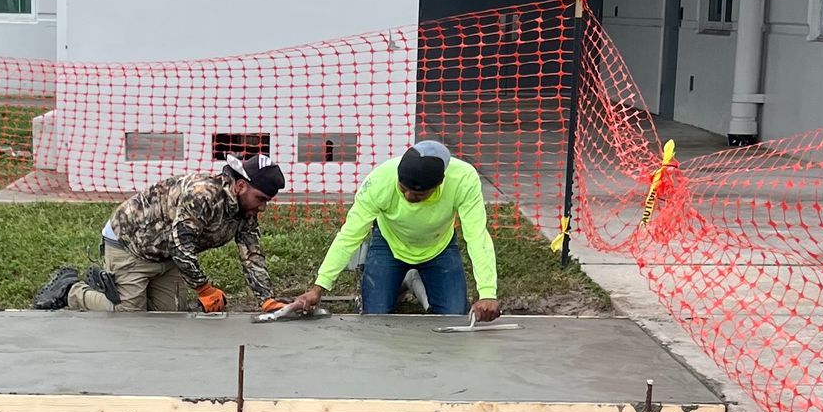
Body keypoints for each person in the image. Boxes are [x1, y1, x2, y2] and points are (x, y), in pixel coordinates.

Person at [34, 155, 285, 312]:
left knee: (168, 319)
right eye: (260, 198)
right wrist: (204, 290)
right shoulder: (203, 195)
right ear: (241, 186)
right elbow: (181, 246)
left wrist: (267, 300)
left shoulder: (245, 209)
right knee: (129, 313)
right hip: (131, 245)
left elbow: (251, 254)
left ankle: (120, 290)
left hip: (166, 256)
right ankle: (71, 290)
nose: (262, 206)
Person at [287, 139, 500, 321]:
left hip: (438, 247)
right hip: (390, 245)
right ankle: (400, 281)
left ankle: (412, 277)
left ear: (439, 184)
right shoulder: (380, 181)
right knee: (375, 317)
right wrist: (319, 287)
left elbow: (477, 236)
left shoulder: (463, 179)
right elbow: (349, 235)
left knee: (455, 316)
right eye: (403, 189)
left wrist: (488, 293)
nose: (408, 197)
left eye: (418, 195)